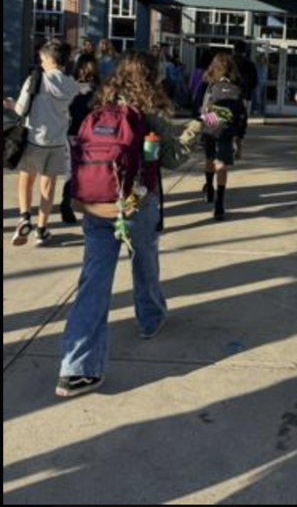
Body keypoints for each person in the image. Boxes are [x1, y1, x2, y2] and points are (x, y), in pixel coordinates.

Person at [56, 51, 207, 399]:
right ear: (152, 78)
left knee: (93, 280)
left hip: (94, 203)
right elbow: (173, 157)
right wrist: (199, 125)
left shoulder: (92, 107)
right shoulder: (147, 114)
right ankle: (150, 319)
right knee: (144, 260)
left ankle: (76, 369)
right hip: (135, 203)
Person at [7, 40, 80, 247]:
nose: (40, 61)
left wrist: (11, 104)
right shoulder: (71, 84)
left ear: (49, 58)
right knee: (47, 188)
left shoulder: (36, 79)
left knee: (26, 180)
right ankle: (41, 230)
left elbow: (21, 109)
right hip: (56, 142)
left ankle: (24, 218)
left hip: (33, 139)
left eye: (41, 58)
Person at [201, 52, 247, 221]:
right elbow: (242, 116)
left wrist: (213, 126)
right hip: (228, 131)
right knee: (222, 165)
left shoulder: (211, 87)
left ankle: (209, 187)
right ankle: (219, 204)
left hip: (211, 130)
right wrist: (238, 138)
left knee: (209, 160)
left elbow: (203, 110)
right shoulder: (237, 88)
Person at [60, 53, 101, 225]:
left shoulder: (71, 85)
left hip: (75, 132)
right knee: (84, 170)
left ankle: (68, 204)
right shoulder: (95, 87)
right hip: (85, 133)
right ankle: (71, 204)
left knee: (73, 170)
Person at [232, 40, 258, 159]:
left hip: (228, 96)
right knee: (242, 121)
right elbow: (255, 82)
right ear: (245, 51)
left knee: (227, 119)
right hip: (244, 97)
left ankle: (229, 142)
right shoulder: (249, 64)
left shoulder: (228, 62)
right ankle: (238, 142)